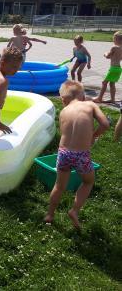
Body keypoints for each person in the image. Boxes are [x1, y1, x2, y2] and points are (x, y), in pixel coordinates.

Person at [44, 81, 109, 229]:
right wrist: (93, 135)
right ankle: (74, 210)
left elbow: (64, 133)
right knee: (88, 182)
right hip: (81, 155)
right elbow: (105, 124)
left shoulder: (63, 112)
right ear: (83, 95)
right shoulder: (90, 105)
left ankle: (50, 215)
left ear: (63, 99)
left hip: (64, 153)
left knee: (59, 185)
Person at [93, 31, 122, 104]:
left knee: (104, 83)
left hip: (113, 69)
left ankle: (99, 98)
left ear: (118, 40)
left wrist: (105, 53)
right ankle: (112, 99)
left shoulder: (114, 47)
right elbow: (118, 58)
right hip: (118, 69)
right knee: (112, 84)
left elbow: (108, 56)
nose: (113, 40)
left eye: (114, 39)